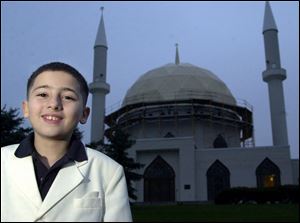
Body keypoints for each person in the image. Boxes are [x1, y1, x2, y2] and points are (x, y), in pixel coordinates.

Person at [1, 62, 132, 222]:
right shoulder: (3, 161)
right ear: (26, 108)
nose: (54, 104)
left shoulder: (108, 172)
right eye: (43, 94)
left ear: (84, 114)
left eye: (68, 97)